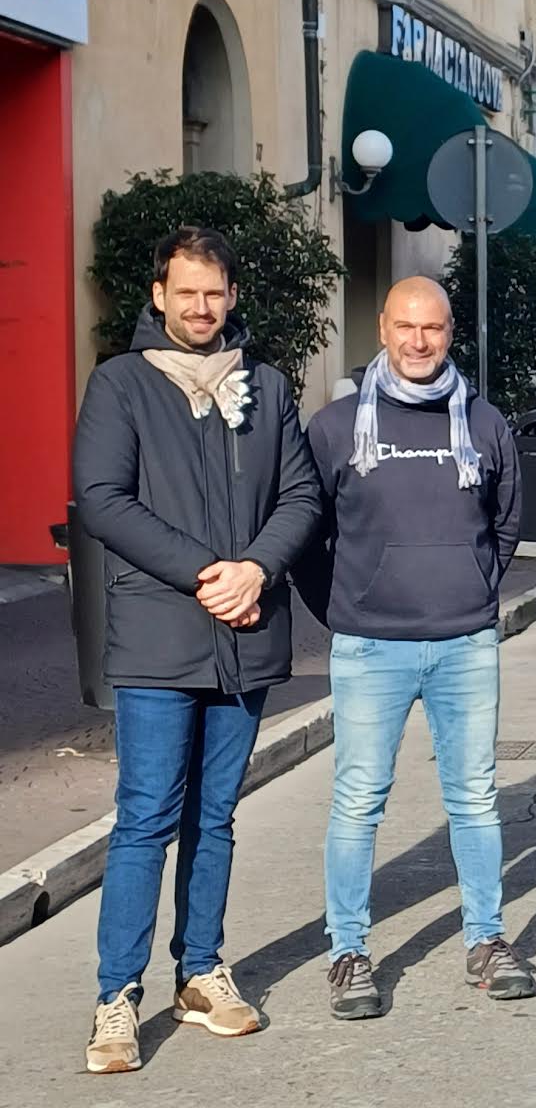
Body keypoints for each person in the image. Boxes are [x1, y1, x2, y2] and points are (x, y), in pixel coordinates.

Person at [73, 227, 322, 1074]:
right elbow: (103, 499)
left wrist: (256, 569)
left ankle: (202, 971)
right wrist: (205, 571)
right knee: (146, 817)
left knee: (215, 816)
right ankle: (116, 996)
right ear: (159, 295)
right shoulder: (121, 384)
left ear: (232, 296)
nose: (202, 307)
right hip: (159, 638)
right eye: (187, 292)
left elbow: (301, 495)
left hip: (244, 635)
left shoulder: (268, 387)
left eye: (215, 292)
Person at [296, 277, 532, 1021]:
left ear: (450, 332)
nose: (419, 341)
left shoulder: (484, 422)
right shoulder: (336, 427)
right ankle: (348, 952)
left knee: (474, 798)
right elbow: (306, 533)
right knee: (358, 800)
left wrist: (471, 589)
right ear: (383, 328)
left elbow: (506, 523)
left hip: (465, 643)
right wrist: (347, 607)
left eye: (432, 328)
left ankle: (487, 940)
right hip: (371, 646)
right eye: (406, 326)